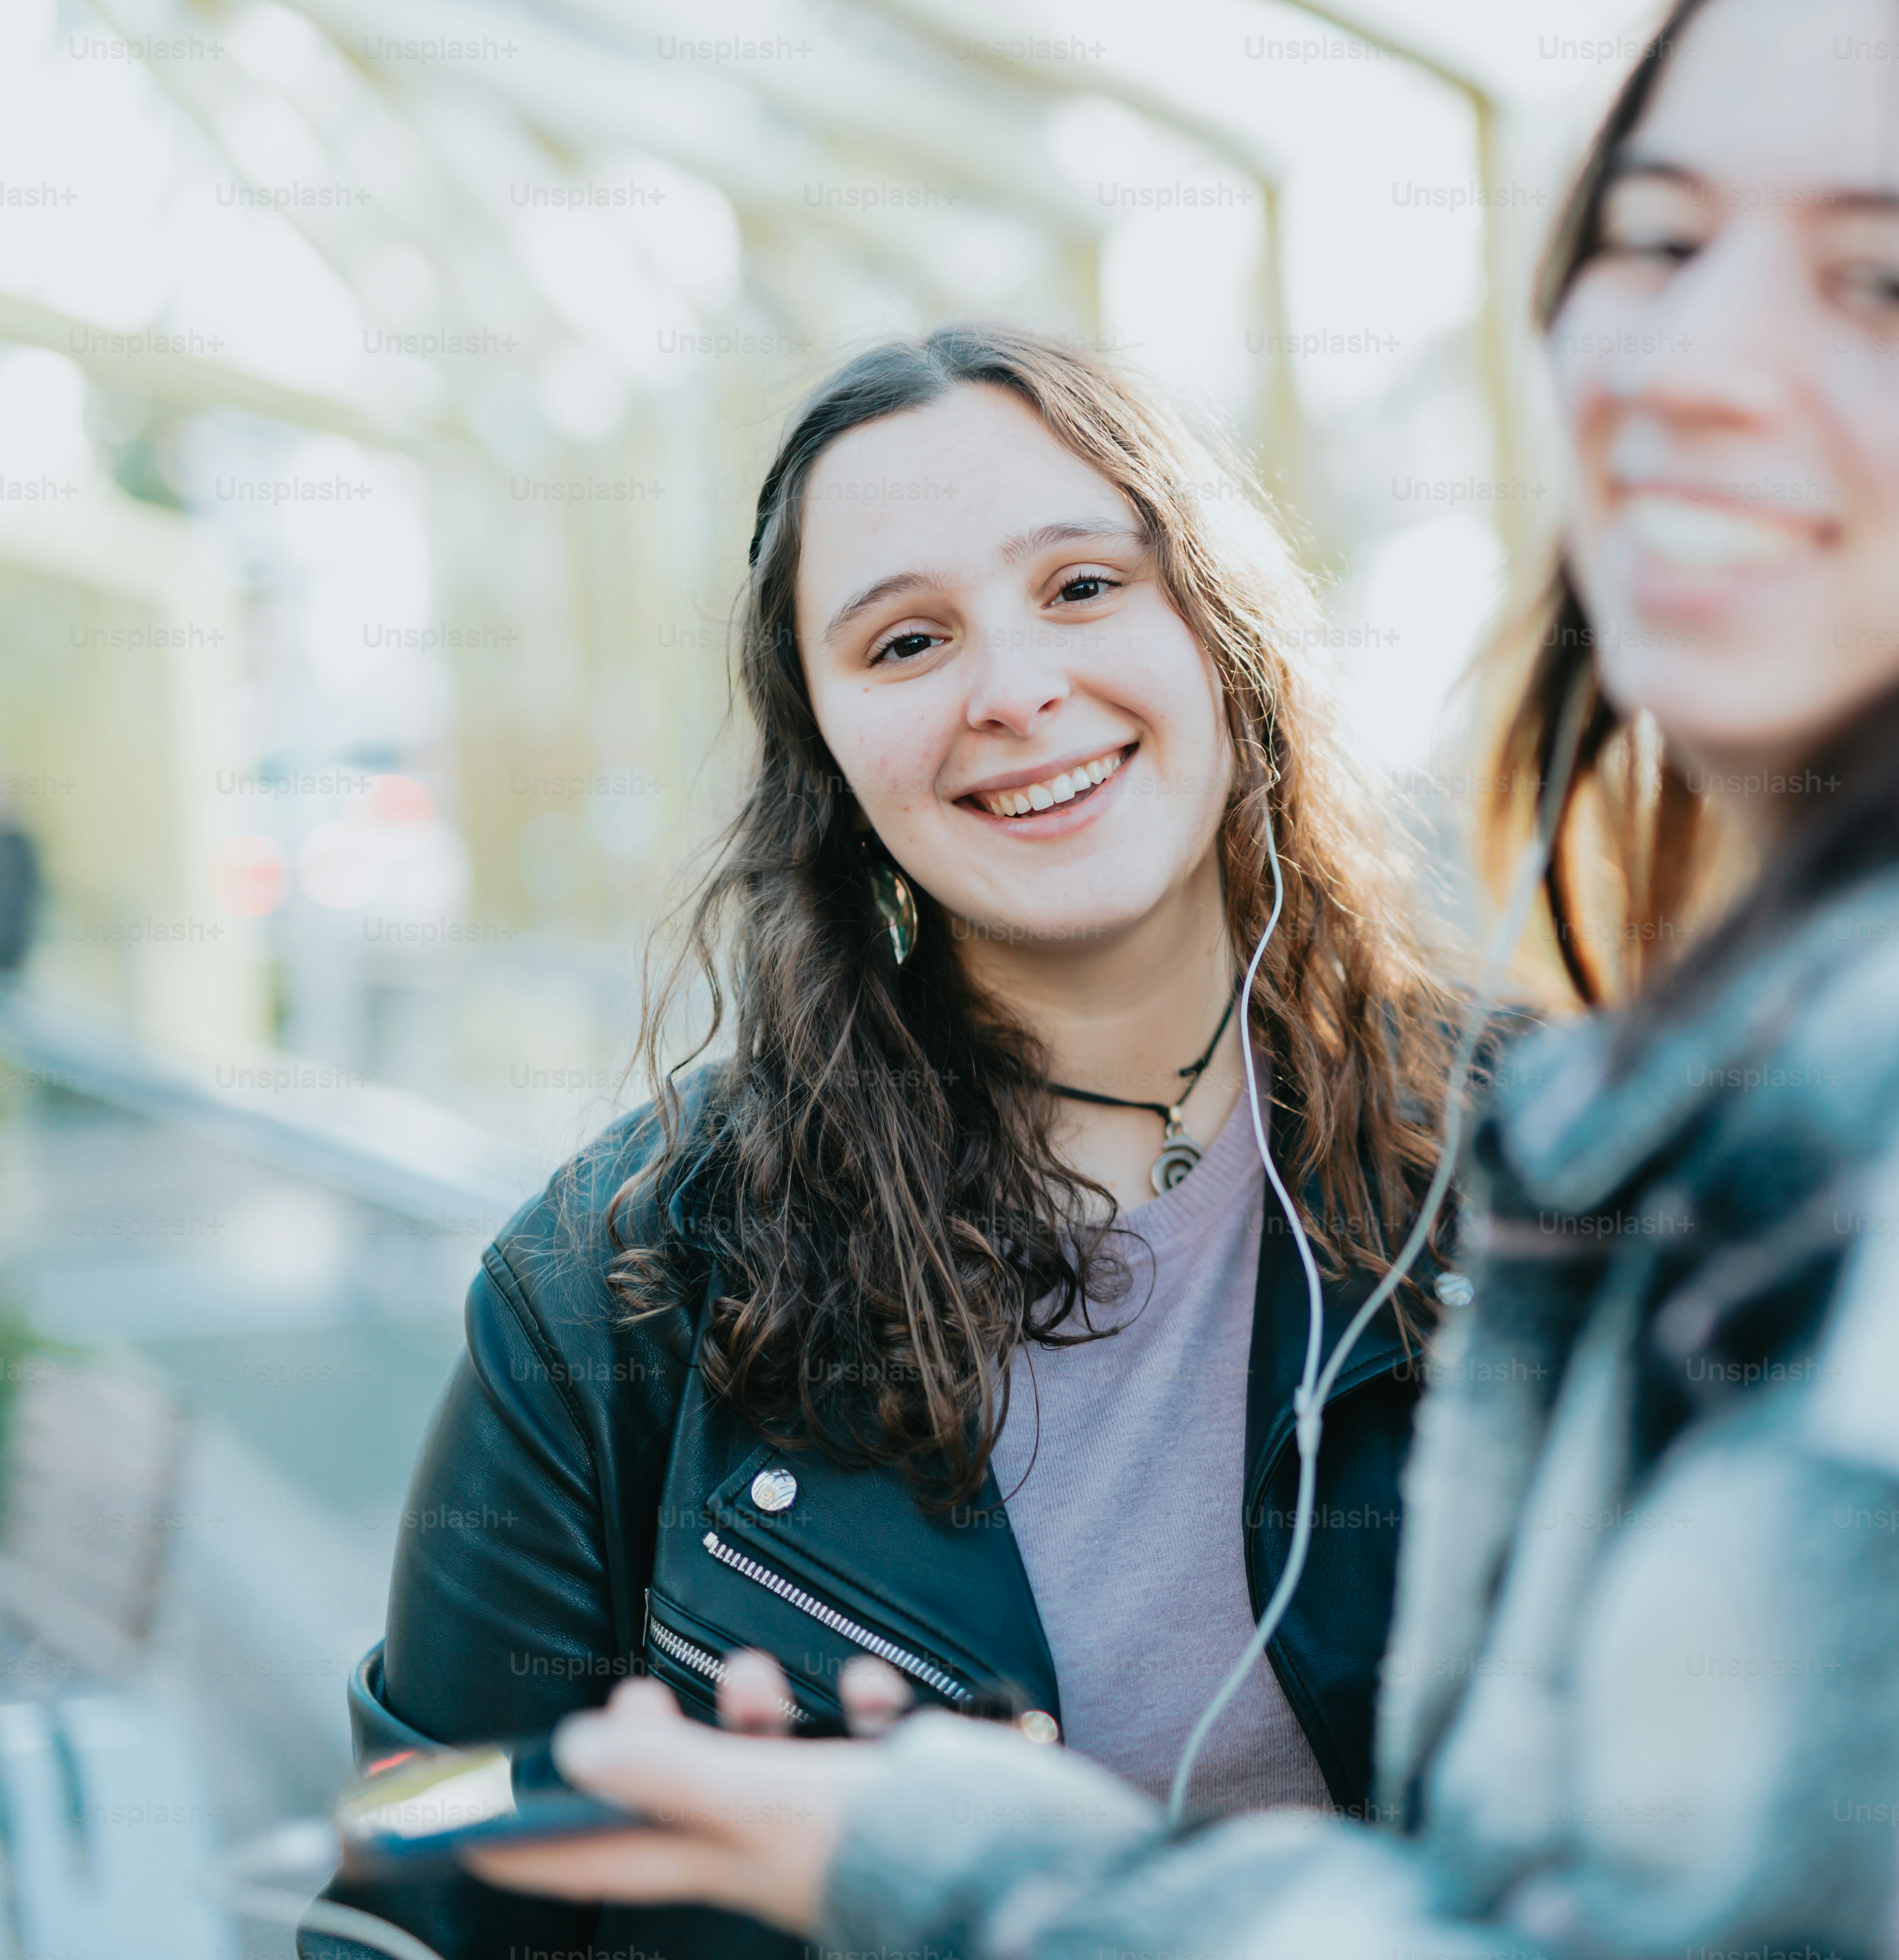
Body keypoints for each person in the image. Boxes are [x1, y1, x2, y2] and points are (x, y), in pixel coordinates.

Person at [444, 1, 1899, 1956]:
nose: (1686, 363)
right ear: (817, 745)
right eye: (1652, 240)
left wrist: (925, 1861)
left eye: (1881, 276)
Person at [315, 326, 1469, 1960]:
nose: (1014, 693)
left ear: (1223, 631)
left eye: (1083, 587)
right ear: (829, 754)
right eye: (909, 640)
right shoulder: (607, 1287)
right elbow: (404, 1825)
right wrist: (642, 1799)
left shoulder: (1552, 1181)